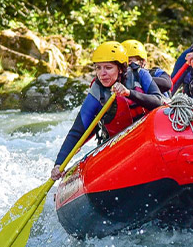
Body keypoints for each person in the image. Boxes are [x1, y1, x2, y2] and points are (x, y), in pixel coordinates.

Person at [51, 42, 167, 179]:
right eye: (98, 68)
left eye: (108, 67)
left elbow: (158, 101)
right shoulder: (97, 91)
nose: (102, 73)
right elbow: (78, 130)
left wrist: (129, 93)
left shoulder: (140, 75)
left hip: (148, 138)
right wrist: (59, 164)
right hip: (117, 146)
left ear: (121, 69)